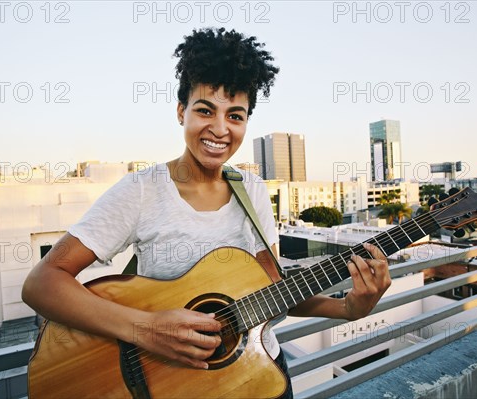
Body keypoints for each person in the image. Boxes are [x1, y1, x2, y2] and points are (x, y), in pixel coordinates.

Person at [22, 27, 391, 398]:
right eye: (204, 110)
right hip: (172, 387)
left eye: (235, 116)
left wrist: (348, 308)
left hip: (259, 378)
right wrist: (146, 328)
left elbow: (271, 293)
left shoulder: (254, 191)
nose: (219, 129)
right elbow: (42, 283)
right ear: (181, 111)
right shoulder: (141, 190)